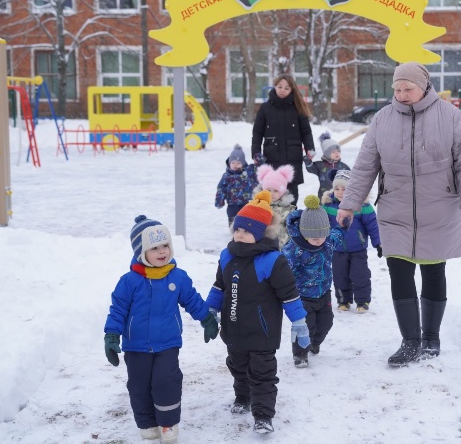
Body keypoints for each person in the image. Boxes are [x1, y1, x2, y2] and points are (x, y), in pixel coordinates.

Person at [335, 62, 461, 368]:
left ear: (424, 87)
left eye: (408, 89)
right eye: (398, 89)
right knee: (399, 271)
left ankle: (431, 337)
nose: (402, 95)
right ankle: (410, 340)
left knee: (433, 271)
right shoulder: (382, 119)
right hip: (395, 208)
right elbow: (365, 165)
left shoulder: (450, 116)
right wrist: (349, 203)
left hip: (438, 207)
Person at [104, 215, 220, 443]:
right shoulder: (129, 281)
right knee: (139, 385)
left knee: (166, 382)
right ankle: (147, 423)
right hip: (136, 346)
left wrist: (207, 319)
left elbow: (193, 300)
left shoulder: (177, 277)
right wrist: (111, 336)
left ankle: (167, 424)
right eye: (154, 247)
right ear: (141, 252)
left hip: (167, 343)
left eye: (165, 245)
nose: (162, 252)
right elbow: (117, 309)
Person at [205, 191, 310, 435]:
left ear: (262, 233)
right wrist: (210, 310)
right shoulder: (227, 255)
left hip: (262, 332)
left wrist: (299, 321)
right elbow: (219, 286)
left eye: (247, 230)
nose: (240, 234)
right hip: (233, 328)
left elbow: (289, 294)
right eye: (237, 229)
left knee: (262, 374)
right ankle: (242, 397)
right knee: (237, 366)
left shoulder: (272, 260)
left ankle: (263, 415)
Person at [281, 195, 346, 368]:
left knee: (326, 323)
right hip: (302, 296)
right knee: (304, 326)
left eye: (321, 235)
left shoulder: (327, 242)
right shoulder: (294, 249)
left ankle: (314, 343)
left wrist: (344, 226)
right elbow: (284, 271)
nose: (318, 240)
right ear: (304, 232)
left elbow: (337, 235)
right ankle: (300, 354)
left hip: (324, 293)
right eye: (313, 236)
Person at [321, 169, 381, 313]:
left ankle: (363, 301)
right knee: (339, 276)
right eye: (337, 188)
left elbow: (373, 225)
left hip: (358, 249)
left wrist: (378, 243)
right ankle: (343, 300)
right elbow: (321, 224)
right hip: (337, 250)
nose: (340, 192)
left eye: (344, 189)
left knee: (360, 275)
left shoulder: (363, 206)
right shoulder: (328, 206)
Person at [251, 74, 315, 205]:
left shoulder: (298, 107)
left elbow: (306, 132)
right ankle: (272, 223)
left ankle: (290, 222)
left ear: (292, 90)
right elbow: (257, 133)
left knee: (291, 195)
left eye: (286, 88)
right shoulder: (265, 108)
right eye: (279, 86)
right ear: (275, 86)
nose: (282, 90)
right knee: (272, 193)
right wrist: (256, 152)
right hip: (271, 157)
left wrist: (310, 148)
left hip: (292, 159)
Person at [215, 144, 259, 229]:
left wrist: (258, 158)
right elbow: (221, 189)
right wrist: (219, 201)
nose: (235, 165)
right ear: (229, 163)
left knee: (245, 217)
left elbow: (258, 167)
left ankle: (245, 231)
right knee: (232, 217)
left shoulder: (248, 173)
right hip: (232, 203)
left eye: (238, 163)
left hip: (246, 201)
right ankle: (234, 231)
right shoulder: (226, 176)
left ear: (243, 163)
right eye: (233, 162)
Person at [254, 164, 297, 249]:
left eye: (276, 191)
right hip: (263, 247)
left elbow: (294, 230)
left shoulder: (289, 210)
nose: (271, 194)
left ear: (282, 191)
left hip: (283, 248)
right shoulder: (258, 206)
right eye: (268, 190)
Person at [305, 131, 350, 198]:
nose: (337, 153)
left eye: (338, 151)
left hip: (340, 195)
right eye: (333, 152)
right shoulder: (320, 165)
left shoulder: (343, 166)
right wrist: (308, 161)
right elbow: (311, 169)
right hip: (323, 196)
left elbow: (352, 177)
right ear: (327, 154)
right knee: (324, 207)